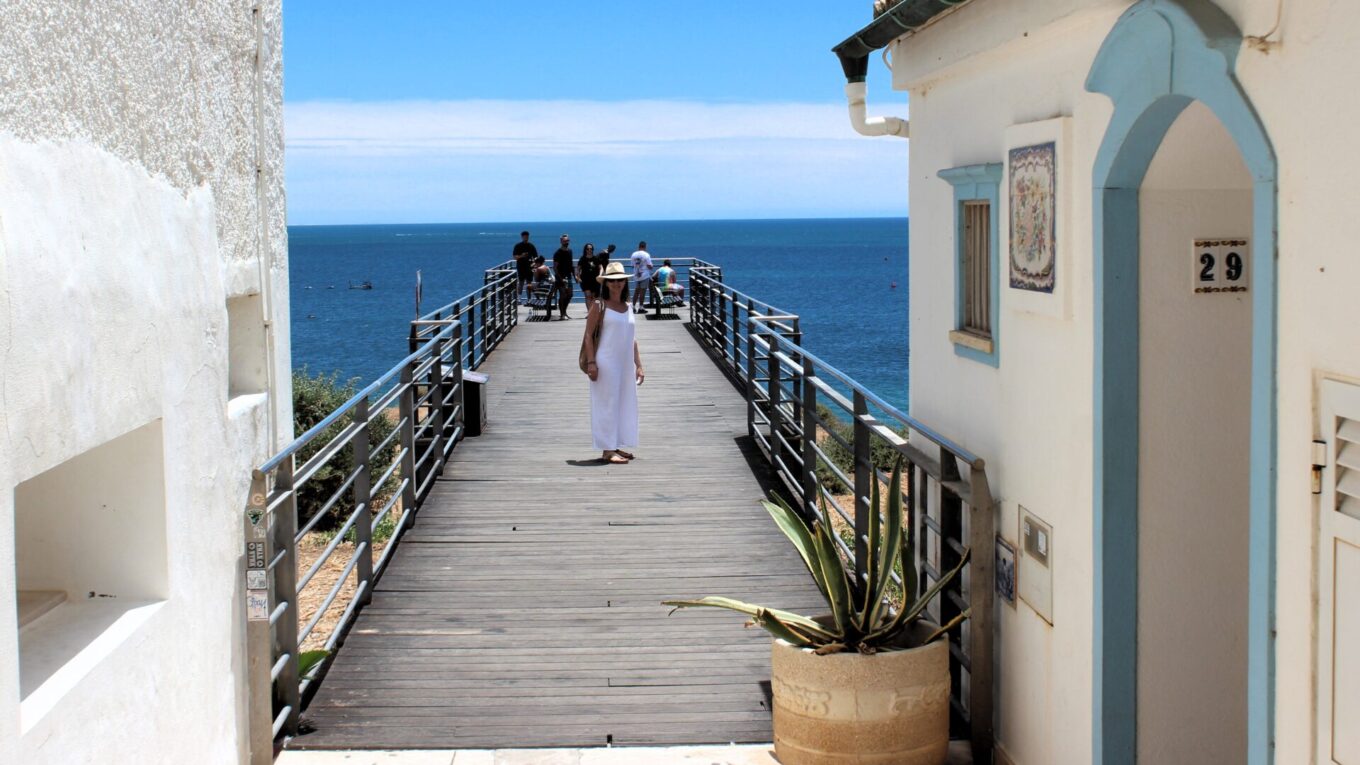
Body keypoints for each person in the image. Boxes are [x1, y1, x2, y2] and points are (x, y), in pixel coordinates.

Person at [582, 262, 644, 464]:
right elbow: (588, 336)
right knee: (607, 404)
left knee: (624, 403)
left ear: (625, 282)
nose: (616, 284)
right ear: (606, 284)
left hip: (625, 363)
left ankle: (615, 444)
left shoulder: (628, 306)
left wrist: (639, 365)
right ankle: (607, 450)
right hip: (606, 362)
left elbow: (632, 338)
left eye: (620, 280)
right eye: (612, 280)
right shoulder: (599, 305)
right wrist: (591, 363)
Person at [551, 233, 575, 320]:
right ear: (561, 241)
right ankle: (562, 314)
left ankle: (564, 311)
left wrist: (575, 276)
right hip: (560, 277)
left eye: (567, 240)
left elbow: (571, 265)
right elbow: (555, 267)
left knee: (570, 295)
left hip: (568, 276)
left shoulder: (570, 251)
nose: (566, 242)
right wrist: (560, 278)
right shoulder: (557, 253)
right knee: (563, 295)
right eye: (564, 241)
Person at [629, 241, 655, 314]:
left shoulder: (633, 254)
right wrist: (650, 266)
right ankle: (641, 307)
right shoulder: (646, 255)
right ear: (645, 247)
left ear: (639, 246)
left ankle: (633, 307)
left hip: (636, 275)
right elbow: (650, 266)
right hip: (644, 275)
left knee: (636, 292)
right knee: (642, 292)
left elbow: (632, 265)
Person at [512, 231, 537, 304]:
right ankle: (519, 299)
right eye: (524, 236)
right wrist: (522, 256)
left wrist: (534, 264)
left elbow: (535, 256)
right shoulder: (518, 246)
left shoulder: (531, 246)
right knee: (521, 283)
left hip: (530, 267)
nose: (526, 238)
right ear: (522, 237)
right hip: (521, 267)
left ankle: (529, 299)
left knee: (529, 283)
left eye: (527, 236)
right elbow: (515, 257)